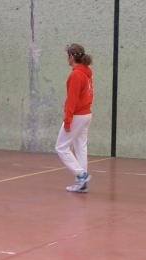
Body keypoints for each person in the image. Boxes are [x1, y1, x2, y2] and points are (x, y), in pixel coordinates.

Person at [55, 43, 94, 192]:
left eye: (67, 55)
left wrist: (67, 120)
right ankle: (81, 183)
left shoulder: (76, 74)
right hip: (86, 115)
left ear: (71, 57)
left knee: (61, 147)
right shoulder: (86, 72)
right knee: (80, 147)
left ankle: (81, 174)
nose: (67, 58)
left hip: (78, 116)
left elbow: (72, 100)